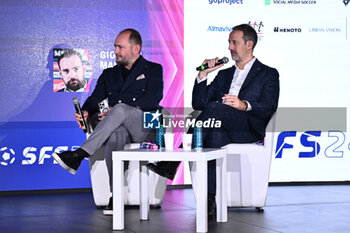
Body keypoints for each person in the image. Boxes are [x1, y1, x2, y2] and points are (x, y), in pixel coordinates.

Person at [147, 24, 279, 217]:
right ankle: (211, 201)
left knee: (216, 108)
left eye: (234, 42)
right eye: (229, 42)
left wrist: (244, 105)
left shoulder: (268, 73)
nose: (230, 47)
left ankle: (174, 162)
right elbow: (199, 104)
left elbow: (269, 105)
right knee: (213, 136)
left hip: (248, 128)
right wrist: (203, 74)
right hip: (221, 125)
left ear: (249, 44)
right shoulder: (224, 74)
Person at [52, 29, 164, 215]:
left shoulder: (153, 69)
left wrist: (117, 110)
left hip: (144, 125)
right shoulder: (109, 74)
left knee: (119, 109)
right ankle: (116, 195)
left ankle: (79, 154)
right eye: (115, 47)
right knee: (116, 135)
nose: (116, 51)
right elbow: (96, 98)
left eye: (120, 47)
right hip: (119, 127)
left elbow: (153, 100)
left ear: (136, 48)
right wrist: (86, 111)